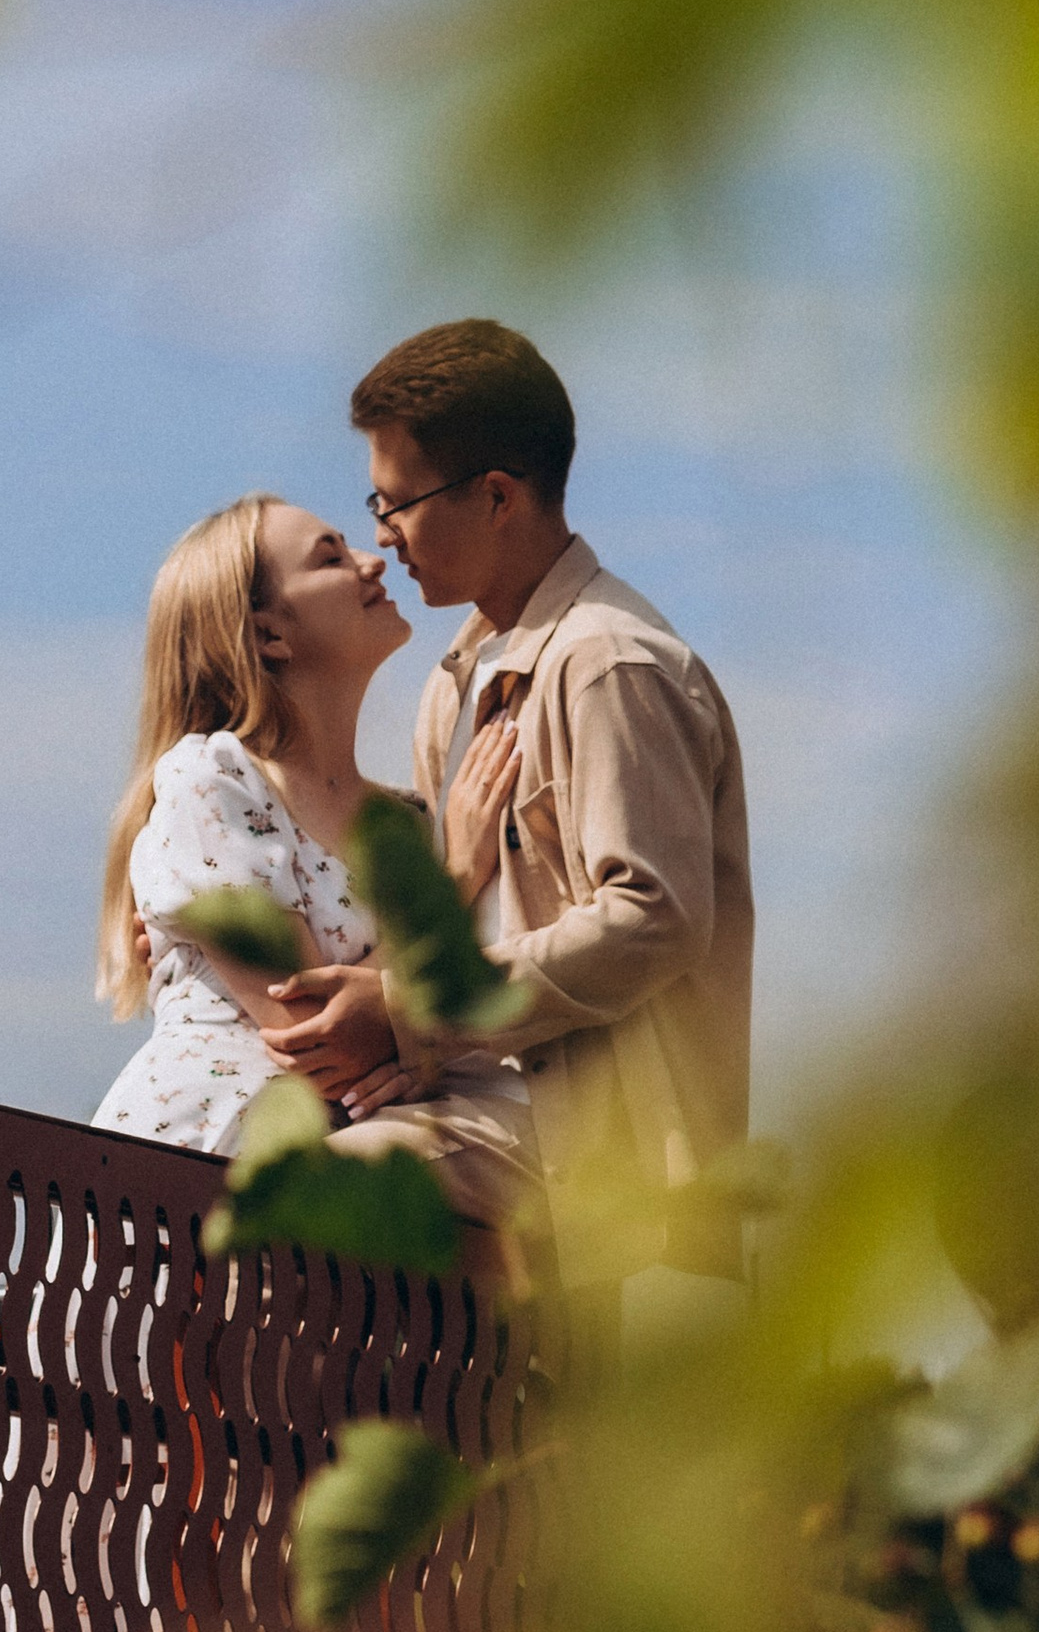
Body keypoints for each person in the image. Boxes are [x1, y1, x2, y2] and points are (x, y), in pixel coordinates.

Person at [258, 320, 753, 1248]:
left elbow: (656, 915)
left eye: (396, 502)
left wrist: (417, 1008)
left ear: (495, 497)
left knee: (303, 1201)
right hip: (478, 1104)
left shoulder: (609, 662)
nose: (382, 534)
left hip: (590, 1139)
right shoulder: (460, 675)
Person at [92, 492, 521, 1168]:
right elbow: (313, 1034)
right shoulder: (212, 783)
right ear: (269, 634)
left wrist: (419, 1056)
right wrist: (457, 876)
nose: (372, 562)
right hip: (197, 1167)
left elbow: (442, 1025)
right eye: (331, 557)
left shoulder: (409, 823)